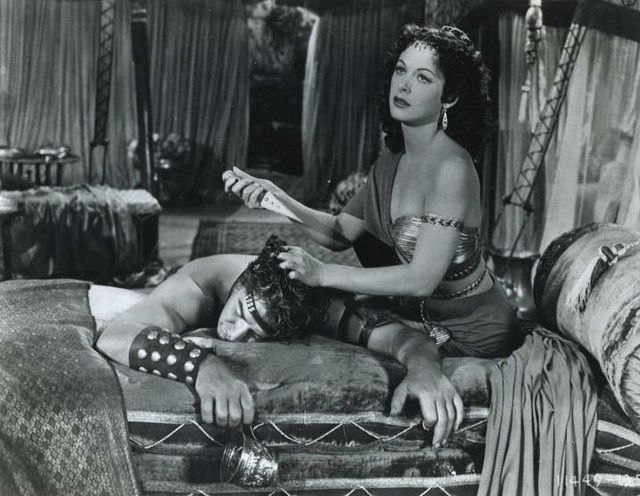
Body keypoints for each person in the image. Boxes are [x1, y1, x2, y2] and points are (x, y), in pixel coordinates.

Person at [223, 25, 519, 358]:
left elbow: (422, 279)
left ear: (449, 97)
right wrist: (274, 197)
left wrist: (324, 273)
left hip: (475, 331)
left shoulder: (453, 168)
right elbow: (339, 232)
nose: (403, 85)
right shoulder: (390, 161)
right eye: (400, 70)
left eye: (423, 78)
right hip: (422, 317)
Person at [96, 236, 463, 447]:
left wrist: (425, 368)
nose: (233, 333)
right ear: (240, 283)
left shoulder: (320, 308)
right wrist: (203, 366)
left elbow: (402, 337)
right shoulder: (199, 283)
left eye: (255, 331)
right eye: (240, 311)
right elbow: (116, 334)